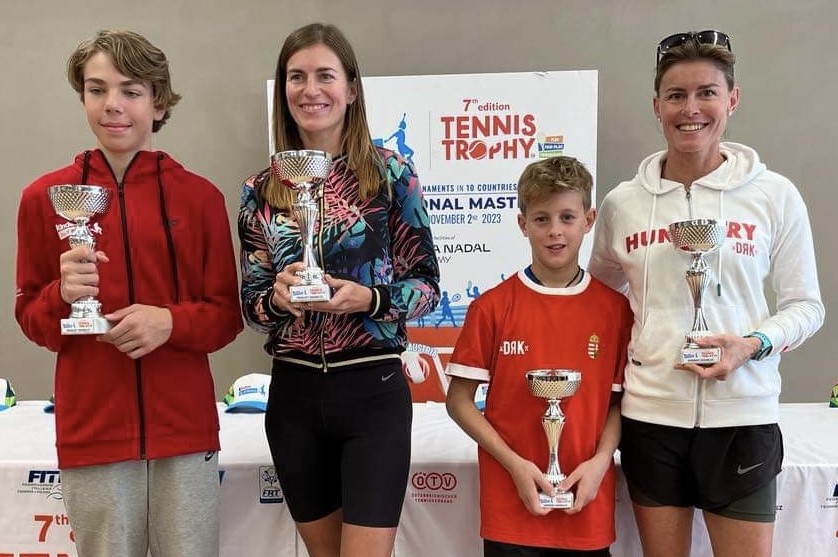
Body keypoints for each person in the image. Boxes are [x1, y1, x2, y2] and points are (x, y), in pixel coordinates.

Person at [588, 30, 824, 557]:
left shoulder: (774, 195)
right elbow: (599, 302)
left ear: (732, 100)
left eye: (706, 93)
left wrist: (752, 345)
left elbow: (808, 306)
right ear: (657, 106)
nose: (690, 109)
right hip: (651, 419)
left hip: (742, 417)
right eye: (676, 95)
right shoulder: (624, 204)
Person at [15, 30, 243, 557]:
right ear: (82, 97)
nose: (112, 105)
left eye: (131, 91)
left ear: (158, 102)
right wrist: (61, 296)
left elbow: (227, 316)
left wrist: (170, 323)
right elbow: (30, 316)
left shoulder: (200, 198)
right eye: (97, 90)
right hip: (92, 433)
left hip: (184, 433)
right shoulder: (43, 198)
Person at [238, 22, 439, 557]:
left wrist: (367, 299)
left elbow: (427, 287)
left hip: (372, 394)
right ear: (283, 89)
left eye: (325, 75)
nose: (311, 90)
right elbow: (252, 308)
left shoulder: (391, 175)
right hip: (294, 400)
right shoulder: (261, 190)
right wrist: (277, 299)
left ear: (351, 89)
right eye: (296, 77)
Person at [446, 155, 633, 557]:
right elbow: (459, 401)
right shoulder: (492, 308)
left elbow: (617, 404)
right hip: (512, 506)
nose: (555, 231)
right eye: (542, 219)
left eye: (567, 218)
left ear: (589, 220)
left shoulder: (615, 310)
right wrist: (514, 464)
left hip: (586, 505)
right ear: (522, 223)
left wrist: (601, 461)